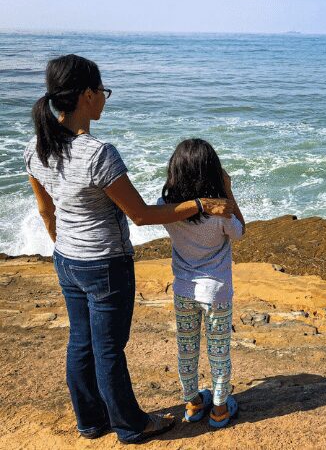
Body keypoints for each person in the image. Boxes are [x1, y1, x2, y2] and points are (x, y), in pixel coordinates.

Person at [25, 54, 234, 444]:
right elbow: (139, 215)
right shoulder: (98, 153)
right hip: (105, 263)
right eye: (102, 91)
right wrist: (201, 205)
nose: (104, 99)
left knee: (81, 341)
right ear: (87, 95)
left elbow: (45, 209)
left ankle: (90, 421)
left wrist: (65, 246)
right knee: (109, 350)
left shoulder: (37, 147)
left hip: (67, 259)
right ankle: (131, 425)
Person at [157, 138, 245, 429]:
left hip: (184, 290)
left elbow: (162, 210)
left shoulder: (166, 208)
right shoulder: (219, 215)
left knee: (187, 348)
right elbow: (240, 232)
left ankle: (193, 403)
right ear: (213, 172)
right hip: (216, 293)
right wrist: (228, 192)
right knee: (218, 351)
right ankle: (219, 408)